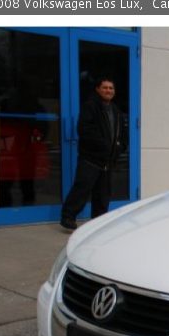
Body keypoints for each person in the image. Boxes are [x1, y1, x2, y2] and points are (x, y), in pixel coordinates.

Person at [60, 77, 125, 231]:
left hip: (108, 161)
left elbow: (123, 134)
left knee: (103, 194)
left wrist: (120, 147)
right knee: (82, 189)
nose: (108, 90)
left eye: (111, 88)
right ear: (98, 89)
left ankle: (98, 223)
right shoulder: (90, 107)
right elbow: (85, 130)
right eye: (105, 87)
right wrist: (104, 146)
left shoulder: (116, 111)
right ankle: (68, 217)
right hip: (91, 159)